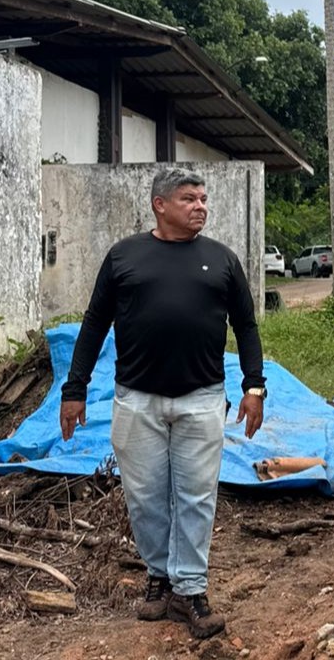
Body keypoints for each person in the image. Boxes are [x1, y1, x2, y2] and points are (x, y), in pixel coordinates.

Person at [59, 168, 266, 640]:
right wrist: (74, 390)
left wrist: (255, 387)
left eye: (204, 199)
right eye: (189, 198)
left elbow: (247, 327)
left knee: (196, 495)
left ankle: (191, 591)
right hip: (137, 401)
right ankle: (159, 577)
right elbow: (93, 325)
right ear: (160, 204)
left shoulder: (222, 260)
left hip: (202, 398)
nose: (201, 207)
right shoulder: (124, 257)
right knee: (146, 495)